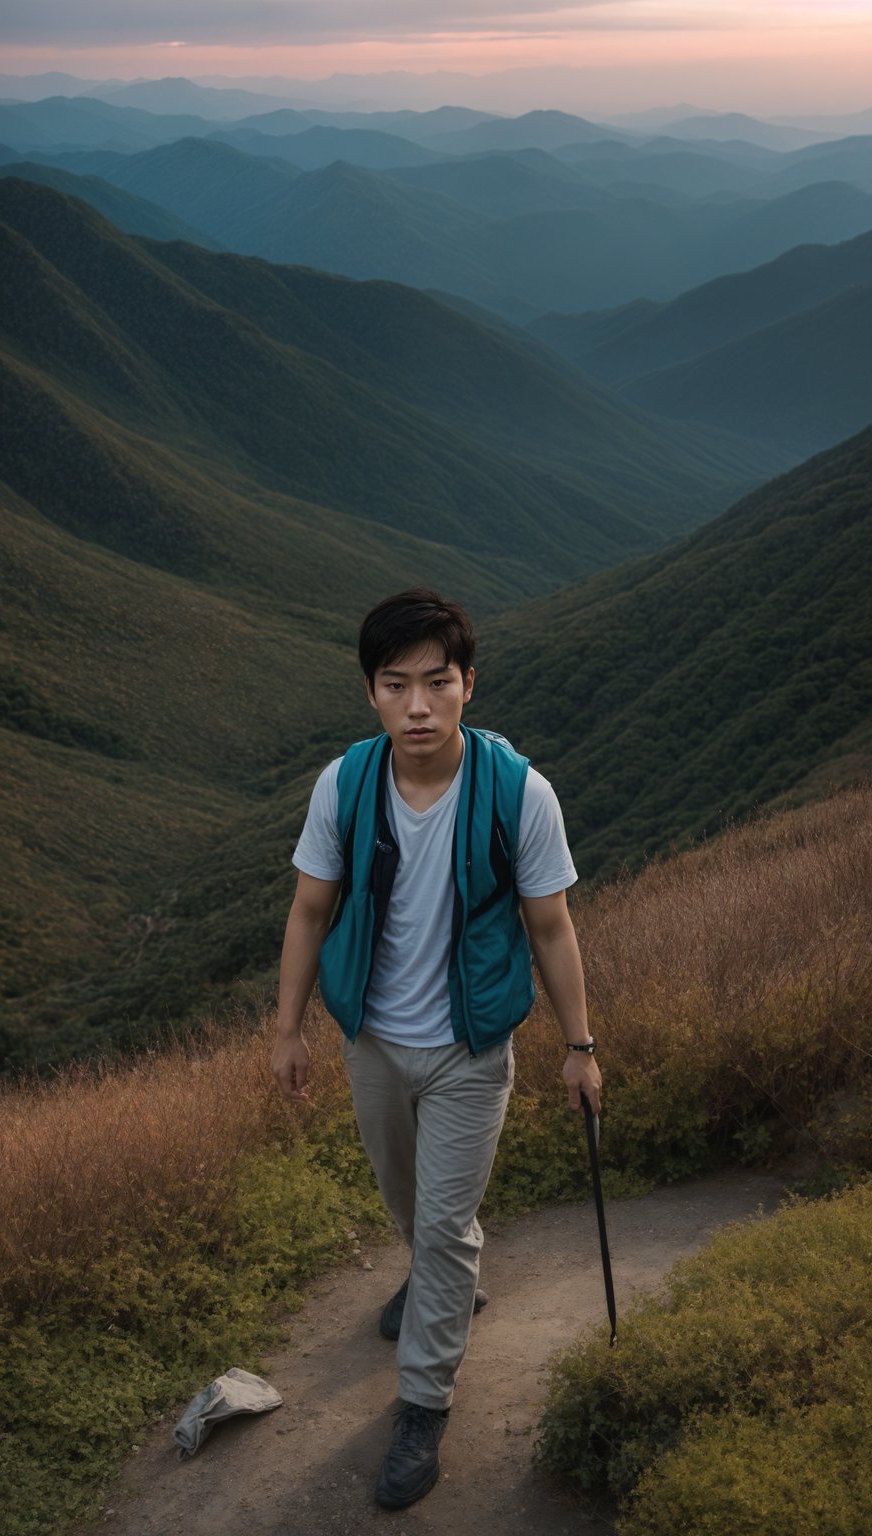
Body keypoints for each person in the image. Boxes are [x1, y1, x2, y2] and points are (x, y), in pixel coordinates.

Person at [271, 588, 602, 1510]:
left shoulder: (517, 793)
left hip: (469, 1049)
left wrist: (580, 1046)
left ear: (468, 686)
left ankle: (423, 1404)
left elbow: (551, 927)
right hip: (371, 1039)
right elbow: (309, 910)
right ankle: (435, 1281)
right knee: (407, 1202)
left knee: (449, 1224)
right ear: (370, 692)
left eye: (437, 682)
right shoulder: (344, 785)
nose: (418, 706)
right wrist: (289, 1028)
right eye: (395, 684)